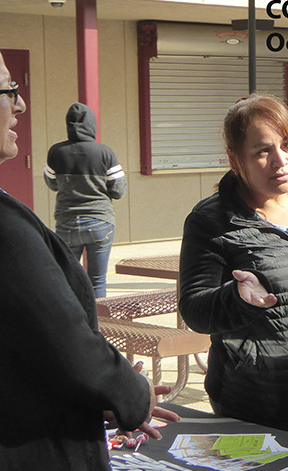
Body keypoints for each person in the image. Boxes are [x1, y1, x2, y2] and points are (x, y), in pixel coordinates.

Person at [0, 53, 177, 470]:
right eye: (9, 90)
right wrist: (125, 390)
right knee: (93, 292)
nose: (20, 105)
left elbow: (49, 180)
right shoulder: (8, 230)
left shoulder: (56, 152)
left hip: (66, 221)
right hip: (34, 451)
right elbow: (67, 339)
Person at [179, 94, 288, 443]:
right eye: (261, 151)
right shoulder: (211, 220)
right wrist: (236, 298)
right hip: (257, 405)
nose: (280, 161)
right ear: (234, 159)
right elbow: (194, 308)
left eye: (287, 145)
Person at [44, 102, 127, 298]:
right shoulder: (105, 152)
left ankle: (71, 325)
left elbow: (52, 183)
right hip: (100, 222)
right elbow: (118, 190)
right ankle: (98, 326)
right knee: (97, 280)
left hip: (67, 224)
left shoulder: (56, 152)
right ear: (92, 124)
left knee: (67, 279)